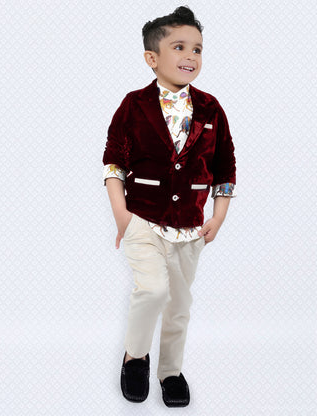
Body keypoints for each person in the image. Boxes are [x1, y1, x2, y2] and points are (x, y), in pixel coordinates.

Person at [102, 5, 237, 407]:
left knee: (179, 305)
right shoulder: (134, 105)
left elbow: (225, 165)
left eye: (197, 48)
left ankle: (171, 371)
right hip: (142, 219)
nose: (190, 56)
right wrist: (122, 216)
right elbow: (114, 161)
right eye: (179, 47)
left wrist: (218, 216)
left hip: (190, 227)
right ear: (152, 57)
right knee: (153, 291)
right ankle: (135, 356)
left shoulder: (211, 109)